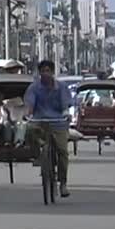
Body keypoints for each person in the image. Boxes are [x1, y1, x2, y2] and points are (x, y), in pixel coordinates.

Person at [23, 60, 72, 198]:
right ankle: (38, 156)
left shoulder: (61, 87)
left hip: (58, 122)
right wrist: (28, 114)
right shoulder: (34, 88)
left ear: (52, 72)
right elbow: (30, 105)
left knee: (63, 152)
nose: (45, 74)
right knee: (29, 131)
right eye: (42, 71)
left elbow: (65, 106)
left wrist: (66, 114)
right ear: (39, 73)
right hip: (39, 121)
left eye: (48, 71)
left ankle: (63, 183)